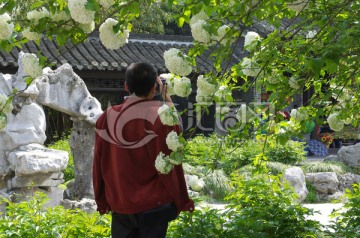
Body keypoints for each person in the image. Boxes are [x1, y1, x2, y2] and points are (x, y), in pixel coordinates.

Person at [93, 62, 194, 238]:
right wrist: (167, 98)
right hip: (155, 204)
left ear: (126, 86)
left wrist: (101, 197)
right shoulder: (161, 115)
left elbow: (99, 163)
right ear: (154, 88)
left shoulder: (107, 117)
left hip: (121, 203)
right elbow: (177, 134)